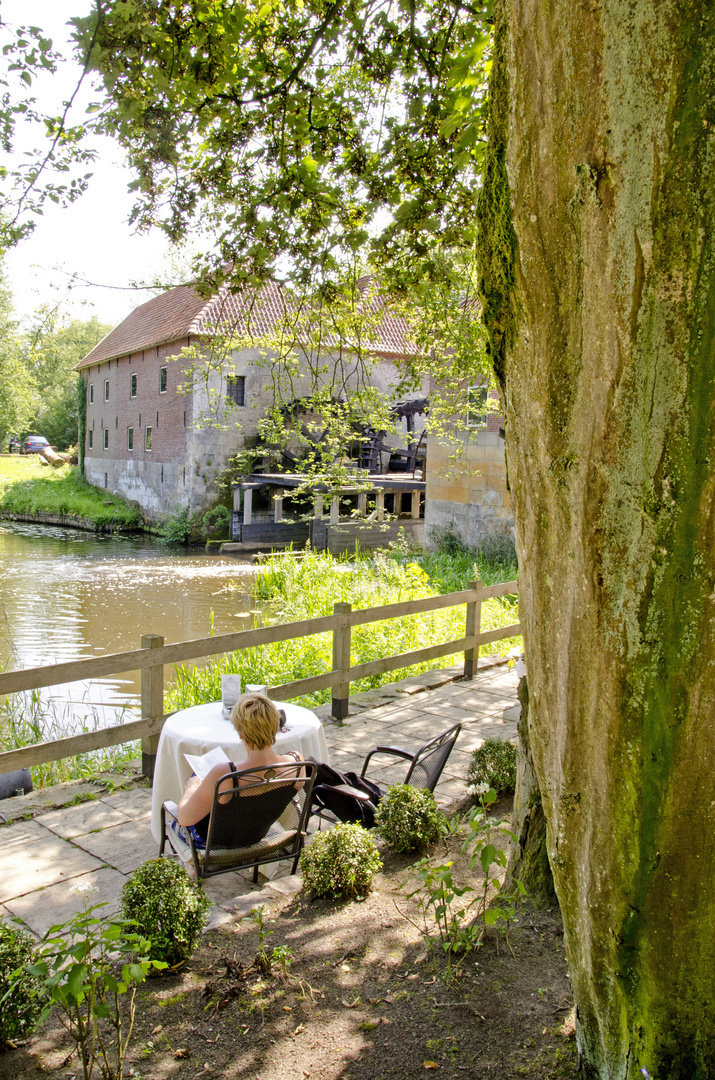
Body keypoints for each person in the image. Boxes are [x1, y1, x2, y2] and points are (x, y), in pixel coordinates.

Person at [176, 693, 304, 845]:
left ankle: (191, 864)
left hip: (217, 844)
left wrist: (192, 788)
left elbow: (184, 818)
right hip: (257, 833)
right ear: (276, 724)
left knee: (195, 781)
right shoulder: (297, 764)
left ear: (240, 733)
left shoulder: (225, 775)